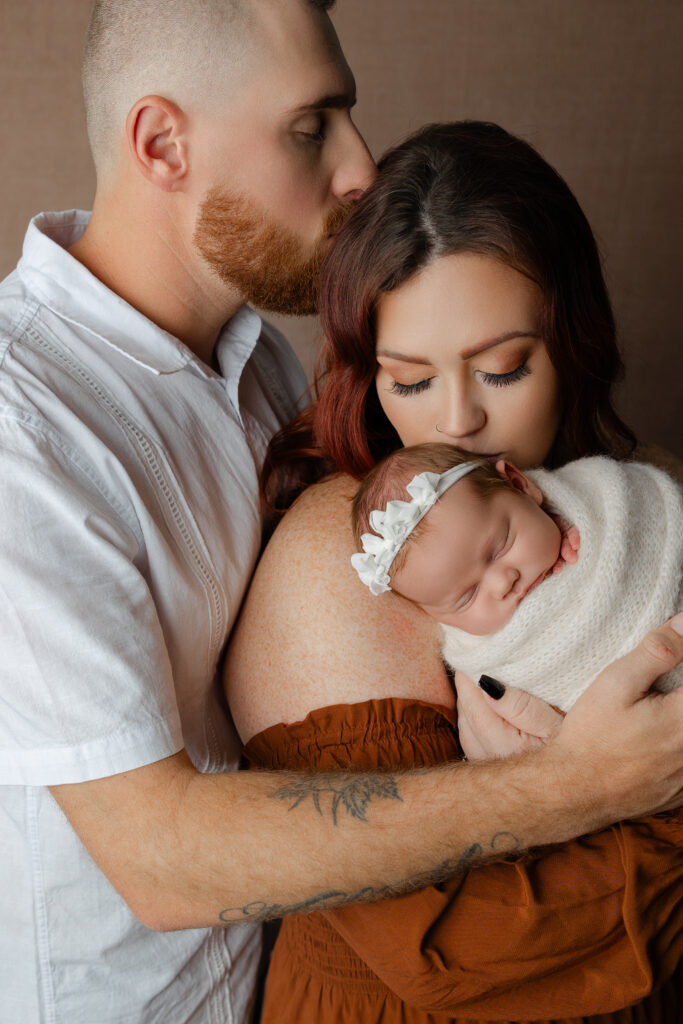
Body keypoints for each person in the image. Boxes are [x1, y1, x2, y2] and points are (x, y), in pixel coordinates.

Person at [0, 1, 681, 1017]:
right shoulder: (27, 430)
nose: (361, 166)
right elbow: (161, 860)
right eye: (311, 126)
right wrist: (572, 784)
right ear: (162, 143)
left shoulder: (263, 369)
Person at [226, 121, 683, 1022]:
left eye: (504, 368)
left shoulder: (645, 496)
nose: (457, 422)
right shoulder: (347, 559)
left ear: (573, 341)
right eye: (408, 380)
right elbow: (455, 947)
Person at [351, 443, 683, 710]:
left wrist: (569, 515)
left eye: (500, 547)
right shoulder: (482, 661)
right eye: (467, 596)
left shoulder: (596, 503)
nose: (502, 582)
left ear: (521, 485)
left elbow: (637, 513)